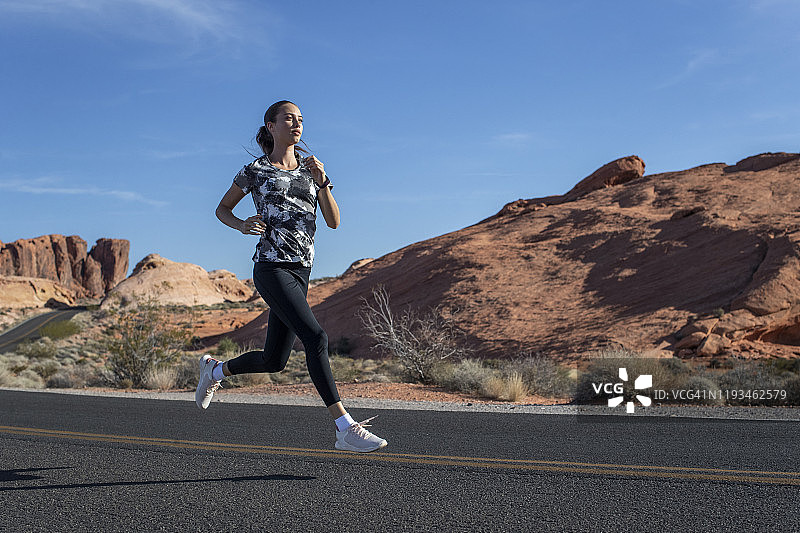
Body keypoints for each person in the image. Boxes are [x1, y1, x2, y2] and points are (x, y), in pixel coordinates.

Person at [195, 100, 387, 453]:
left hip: (302, 270)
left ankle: (215, 371)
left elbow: (334, 221)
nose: (297, 124)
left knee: (274, 360)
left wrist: (323, 182)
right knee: (316, 338)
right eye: (288, 118)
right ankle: (344, 427)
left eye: (300, 119)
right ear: (271, 126)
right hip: (270, 266)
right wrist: (240, 224)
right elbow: (222, 208)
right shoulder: (255, 170)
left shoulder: (310, 172)